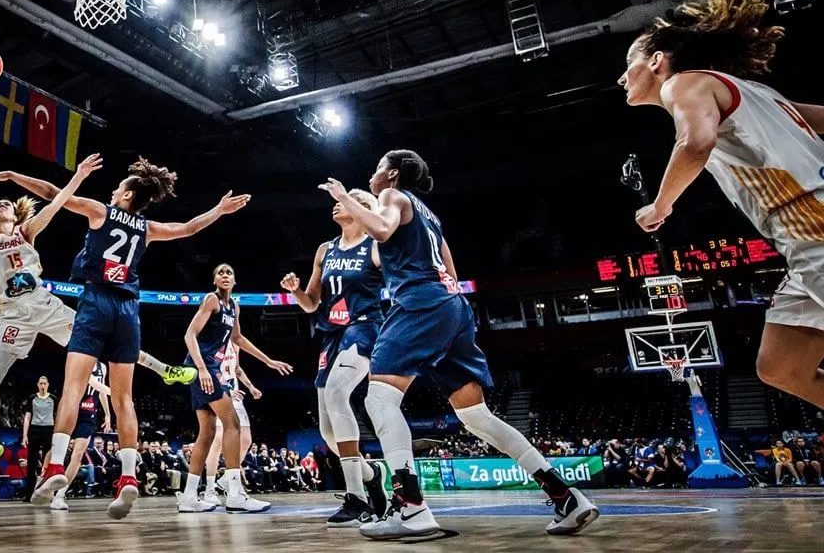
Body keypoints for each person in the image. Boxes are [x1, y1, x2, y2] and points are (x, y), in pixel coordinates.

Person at [320, 150, 598, 539]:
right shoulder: (428, 216)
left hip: (420, 303)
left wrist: (347, 199)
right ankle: (566, 496)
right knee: (476, 417)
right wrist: (363, 211)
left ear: (392, 174)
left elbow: (382, 230)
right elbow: (442, 268)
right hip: (452, 307)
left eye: (376, 170)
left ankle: (411, 508)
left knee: (379, 399)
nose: (371, 177)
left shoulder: (393, 197)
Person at [0, 157, 250, 520]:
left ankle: (56, 468)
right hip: (128, 309)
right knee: (124, 398)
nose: (111, 191)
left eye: (115, 188)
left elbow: (52, 193)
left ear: (125, 194)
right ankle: (127, 476)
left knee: (74, 387)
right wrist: (218, 210)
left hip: (96, 302)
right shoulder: (147, 226)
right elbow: (187, 228)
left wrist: (13, 174)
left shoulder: (100, 211)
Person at [617, 0, 824, 409]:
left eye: (629, 64)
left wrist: (661, 205)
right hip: (800, 240)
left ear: (656, 61)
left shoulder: (683, 85)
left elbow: (695, 143)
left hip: (815, 224)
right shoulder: (758, 93)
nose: (622, 77)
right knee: (781, 364)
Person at [0, 121, 102, 472]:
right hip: (11, 316)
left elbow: (56, 204)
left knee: (99, 336)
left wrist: (79, 176)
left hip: (42, 304)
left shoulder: (27, 231)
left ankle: (163, 369)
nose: (2, 204)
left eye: (6, 203)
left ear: (15, 213)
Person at [280, 188, 388, 526]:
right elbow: (312, 303)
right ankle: (372, 475)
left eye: (344, 199)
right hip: (331, 334)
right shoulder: (325, 250)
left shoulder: (375, 247)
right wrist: (296, 291)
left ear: (360, 208)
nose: (336, 204)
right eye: (336, 201)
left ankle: (357, 498)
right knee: (328, 431)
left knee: (341, 394)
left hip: (365, 326)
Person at [179, 263, 292, 513]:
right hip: (202, 368)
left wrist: (268, 361)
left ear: (235, 280)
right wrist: (204, 369)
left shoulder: (234, 307)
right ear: (214, 281)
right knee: (233, 424)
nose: (225, 275)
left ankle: (188, 496)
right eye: (220, 273)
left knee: (207, 434)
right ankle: (234, 493)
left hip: (204, 369)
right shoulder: (212, 300)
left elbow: (238, 339)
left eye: (230, 272)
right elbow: (190, 335)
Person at [199, 341, 260, 506]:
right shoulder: (213, 341)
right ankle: (209, 489)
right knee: (217, 440)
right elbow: (210, 370)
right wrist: (226, 390)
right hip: (220, 394)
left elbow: (237, 370)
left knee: (246, 440)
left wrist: (251, 387)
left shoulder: (236, 345)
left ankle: (226, 478)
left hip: (236, 395)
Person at [22, 376, 58, 502]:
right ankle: (29, 493)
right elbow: (27, 417)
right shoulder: (32, 398)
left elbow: (57, 416)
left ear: (48, 385)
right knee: (31, 463)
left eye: (45, 383)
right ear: (38, 385)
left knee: (48, 462)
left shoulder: (53, 398)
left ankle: (49, 493)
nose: (43, 385)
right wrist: (25, 435)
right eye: (41, 383)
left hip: (49, 430)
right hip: (35, 430)